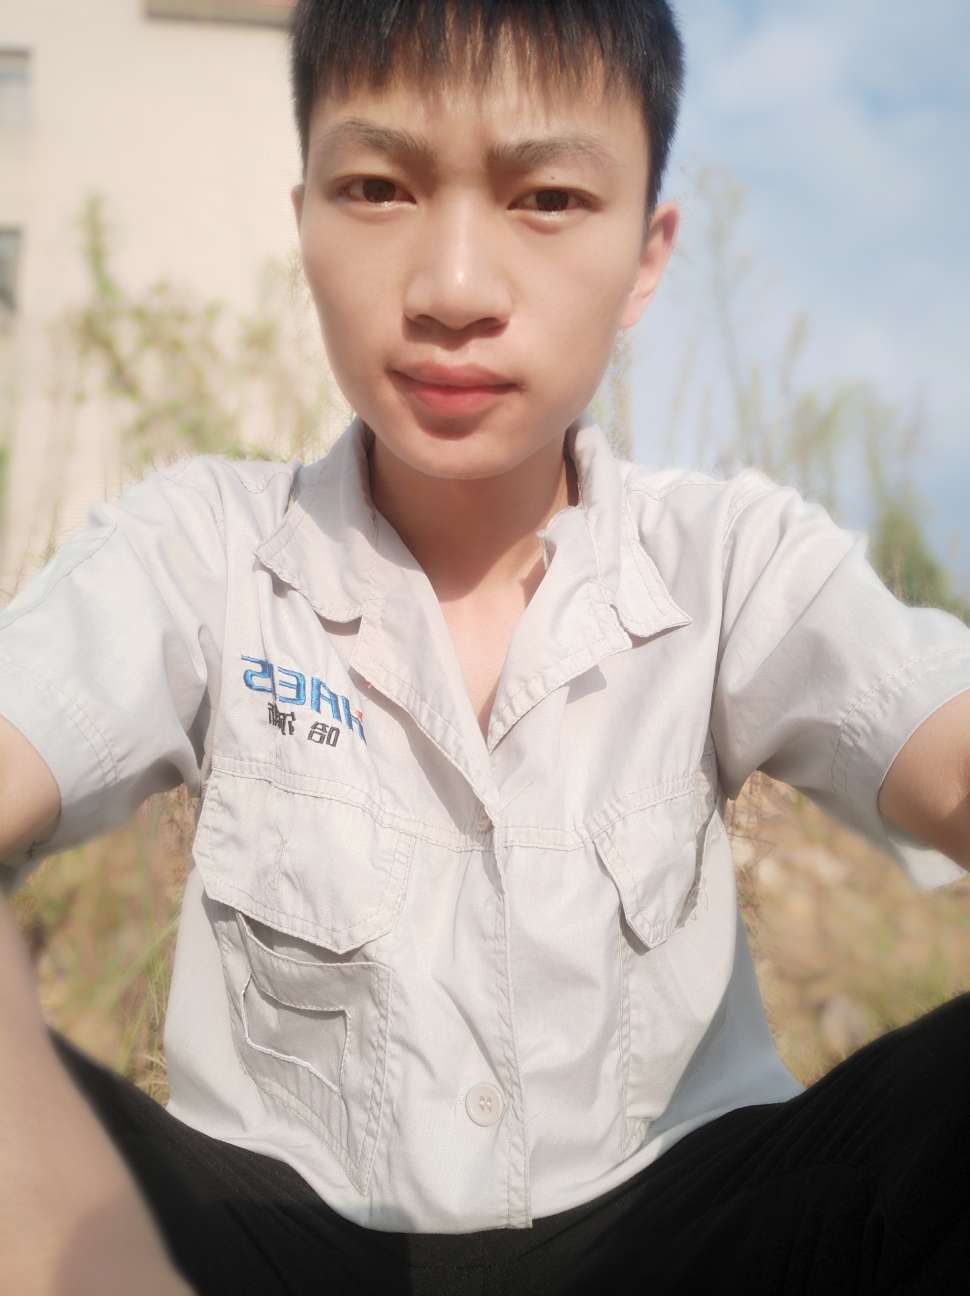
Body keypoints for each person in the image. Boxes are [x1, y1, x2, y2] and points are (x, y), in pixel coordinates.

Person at [1, 2, 968, 1293]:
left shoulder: (731, 561)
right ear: (305, 225)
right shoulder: (201, 550)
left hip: (678, 1234)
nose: (452, 290)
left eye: (548, 198)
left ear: (645, 257)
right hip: (273, 1241)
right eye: (377, 188)